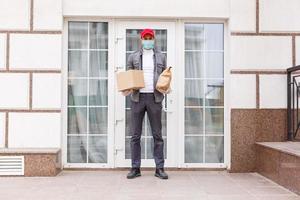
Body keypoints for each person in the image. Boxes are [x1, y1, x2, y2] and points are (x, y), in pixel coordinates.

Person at [123, 28, 168, 179]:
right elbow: (128, 76)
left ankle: (159, 168)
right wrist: (127, 87)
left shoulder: (161, 56)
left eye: (150, 38)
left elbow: (165, 76)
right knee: (135, 135)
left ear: (154, 39)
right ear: (141, 39)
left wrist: (166, 87)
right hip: (137, 98)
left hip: (155, 98)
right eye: (145, 38)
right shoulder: (133, 57)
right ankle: (135, 168)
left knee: (157, 135)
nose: (148, 40)